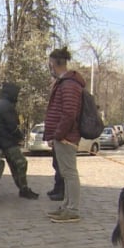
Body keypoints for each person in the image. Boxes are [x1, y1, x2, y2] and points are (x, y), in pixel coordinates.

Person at [43, 47, 84, 223]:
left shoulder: (69, 84)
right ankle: (66, 206)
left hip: (66, 137)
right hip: (63, 136)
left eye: (50, 64)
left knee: (69, 173)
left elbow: (69, 113)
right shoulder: (65, 82)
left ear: (54, 63)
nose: (49, 68)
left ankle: (72, 209)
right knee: (66, 174)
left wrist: (58, 134)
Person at [0, 82, 39, 199]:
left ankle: (23, 188)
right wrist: (19, 136)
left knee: (15, 166)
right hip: (8, 141)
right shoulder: (6, 106)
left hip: (4, 141)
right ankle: (23, 189)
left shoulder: (2, 104)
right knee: (21, 163)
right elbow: (12, 126)